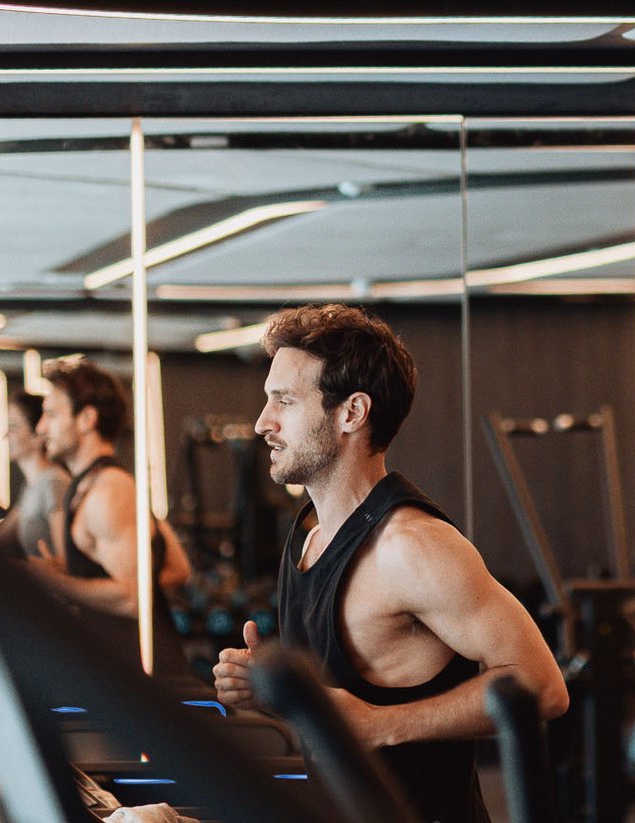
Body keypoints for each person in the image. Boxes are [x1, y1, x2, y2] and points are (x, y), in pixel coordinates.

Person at [211, 304, 567, 823]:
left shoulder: (409, 546)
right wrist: (277, 693)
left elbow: (543, 687)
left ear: (351, 412)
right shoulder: (310, 535)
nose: (263, 422)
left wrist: (382, 723)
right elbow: (341, 708)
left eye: (284, 401)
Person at [27, 358, 193, 679]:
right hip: (124, 670)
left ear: (87, 418)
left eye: (52, 414)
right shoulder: (97, 484)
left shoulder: (108, 491)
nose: (41, 428)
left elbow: (133, 598)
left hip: (145, 678)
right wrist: (79, 572)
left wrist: (55, 581)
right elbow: (177, 568)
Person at [0, 392, 70, 560]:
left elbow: (65, 561)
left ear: (37, 436)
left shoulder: (54, 483)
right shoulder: (30, 487)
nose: (6, 435)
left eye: (13, 427)